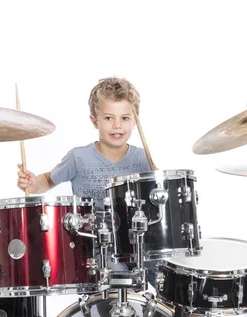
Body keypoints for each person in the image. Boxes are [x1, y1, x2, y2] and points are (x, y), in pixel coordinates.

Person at [17, 76, 157, 285]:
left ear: (135, 120)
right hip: (95, 249)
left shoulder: (142, 158)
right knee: (119, 280)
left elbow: (156, 199)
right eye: (109, 118)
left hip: (136, 245)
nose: (117, 125)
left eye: (125, 118)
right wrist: (33, 183)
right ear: (94, 120)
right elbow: (48, 179)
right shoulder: (78, 157)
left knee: (170, 276)